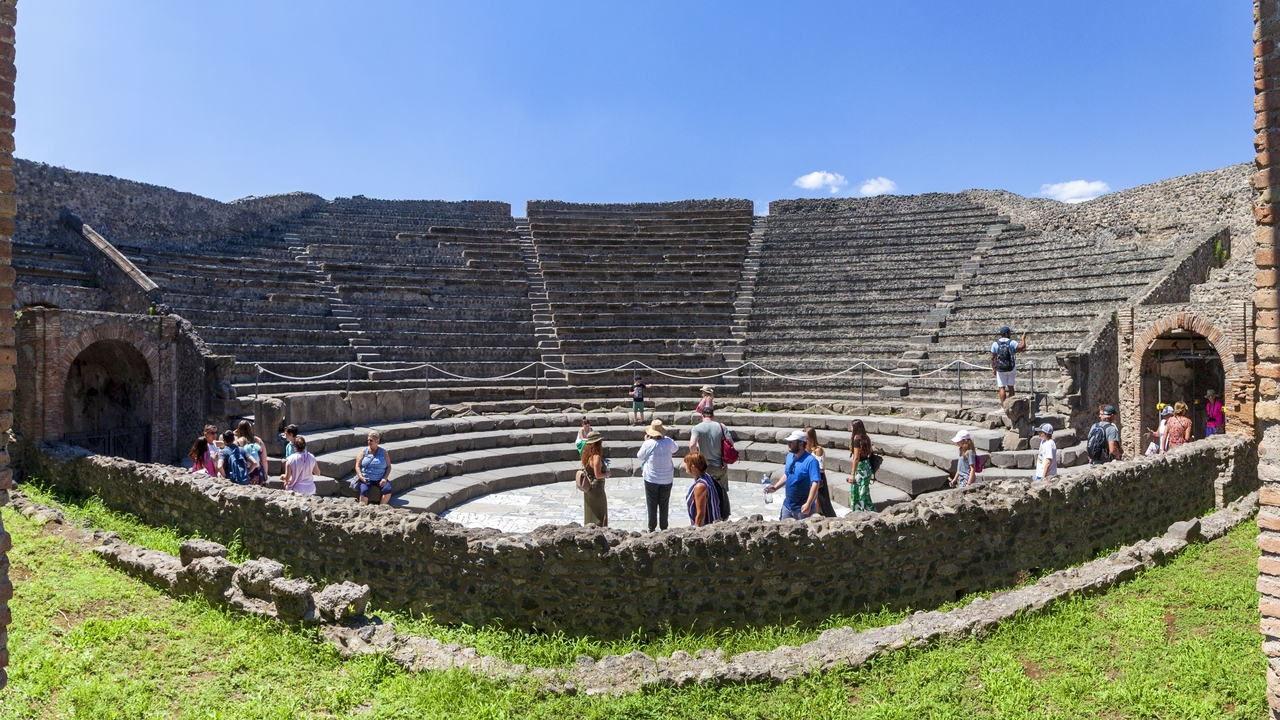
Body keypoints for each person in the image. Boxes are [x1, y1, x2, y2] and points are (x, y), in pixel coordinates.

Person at [765, 430, 821, 520]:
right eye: (788, 442)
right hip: (787, 506)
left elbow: (816, 483)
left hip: (802, 509)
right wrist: (775, 487)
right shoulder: (789, 456)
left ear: (801, 444)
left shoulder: (811, 461)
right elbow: (787, 474)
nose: (788, 444)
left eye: (792, 442)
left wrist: (808, 503)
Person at [689, 408, 734, 520]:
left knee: (706, 493)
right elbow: (731, 443)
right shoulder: (721, 426)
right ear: (713, 416)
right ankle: (724, 515)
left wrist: (696, 458)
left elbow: (692, 445)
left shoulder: (697, 428)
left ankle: (708, 516)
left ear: (702, 416)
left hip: (706, 467)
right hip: (721, 465)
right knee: (722, 491)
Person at [637, 419, 677, 531]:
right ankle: (664, 527)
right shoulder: (668, 441)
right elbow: (675, 449)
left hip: (651, 478)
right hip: (667, 478)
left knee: (651, 503)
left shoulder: (648, 443)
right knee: (664, 504)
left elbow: (640, 456)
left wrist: (646, 441)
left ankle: (651, 527)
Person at [991, 326, 1029, 404]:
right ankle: (1011, 406)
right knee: (1011, 387)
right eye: (1009, 333)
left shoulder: (995, 344)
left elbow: (992, 358)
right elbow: (1022, 347)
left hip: (1000, 369)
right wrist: (1023, 338)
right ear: (1006, 333)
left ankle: (1003, 406)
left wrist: (994, 368)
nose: (1010, 334)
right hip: (1011, 367)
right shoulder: (1012, 342)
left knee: (1001, 387)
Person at [578, 430, 609, 526]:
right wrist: (607, 474)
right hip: (596, 489)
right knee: (600, 513)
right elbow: (598, 475)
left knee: (589, 512)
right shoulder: (596, 457)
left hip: (588, 487)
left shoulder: (586, 455)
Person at [354, 430, 393, 505]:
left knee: (388, 489)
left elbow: (389, 466)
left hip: (380, 477)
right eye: (368, 440)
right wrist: (361, 477)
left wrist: (385, 478)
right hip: (366, 478)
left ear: (377, 441)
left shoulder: (383, 452)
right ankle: (363, 508)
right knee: (364, 491)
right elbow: (357, 465)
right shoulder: (364, 451)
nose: (368, 442)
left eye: (371, 440)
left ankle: (381, 507)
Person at [805, 427, 836, 517]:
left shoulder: (817, 450)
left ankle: (817, 515)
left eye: (806, 438)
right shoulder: (804, 450)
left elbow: (822, 468)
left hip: (818, 477)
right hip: (808, 477)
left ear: (811, 438)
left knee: (818, 499)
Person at [684, 451, 721, 526]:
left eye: (686, 463)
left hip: (707, 527)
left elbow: (701, 514)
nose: (685, 465)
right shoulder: (707, 476)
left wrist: (696, 530)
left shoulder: (700, 486)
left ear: (693, 467)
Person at [846, 419, 875, 511]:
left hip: (861, 469)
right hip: (867, 466)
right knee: (865, 492)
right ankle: (871, 511)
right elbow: (870, 452)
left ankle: (859, 512)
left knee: (858, 493)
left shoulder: (857, 441)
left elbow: (856, 458)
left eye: (852, 426)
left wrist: (852, 474)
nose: (851, 427)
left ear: (855, 428)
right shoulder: (866, 438)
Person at [235, 420, 268, 486]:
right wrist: (265, 474)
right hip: (258, 470)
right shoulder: (259, 440)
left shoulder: (237, 442)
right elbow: (264, 460)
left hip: (245, 471)